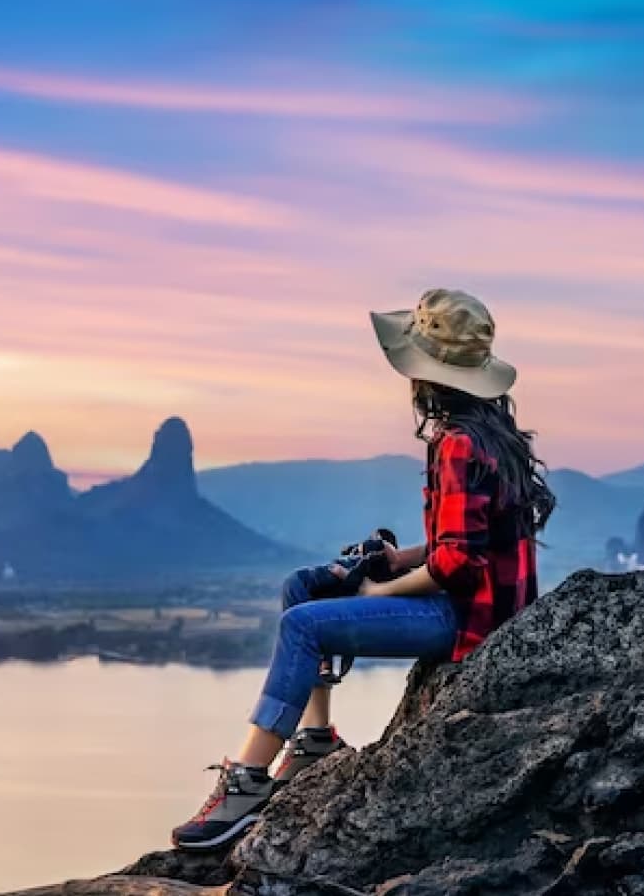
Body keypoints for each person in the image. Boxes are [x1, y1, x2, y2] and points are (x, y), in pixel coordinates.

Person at [171, 288, 556, 851]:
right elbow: (468, 539)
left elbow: (458, 563)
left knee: (301, 624)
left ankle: (246, 784)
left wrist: (384, 586)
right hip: (478, 602)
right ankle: (313, 741)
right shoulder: (488, 434)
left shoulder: (456, 443)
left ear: (425, 376)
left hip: (468, 619)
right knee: (302, 586)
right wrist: (401, 558)